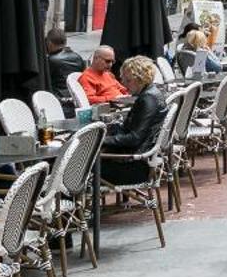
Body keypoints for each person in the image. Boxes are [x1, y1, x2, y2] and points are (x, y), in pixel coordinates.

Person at [99, 57, 169, 185]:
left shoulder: (147, 99)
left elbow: (135, 138)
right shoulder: (154, 93)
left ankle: (70, 202)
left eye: (128, 80)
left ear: (141, 79)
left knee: (81, 165)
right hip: (144, 161)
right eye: (123, 79)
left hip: (134, 167)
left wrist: (101, 140)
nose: (124, 84)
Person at [46, 31, 86, 110]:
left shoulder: (50, 60)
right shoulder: (78, 57)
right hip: (77, 98)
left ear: (49, 43)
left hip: (58, 101)